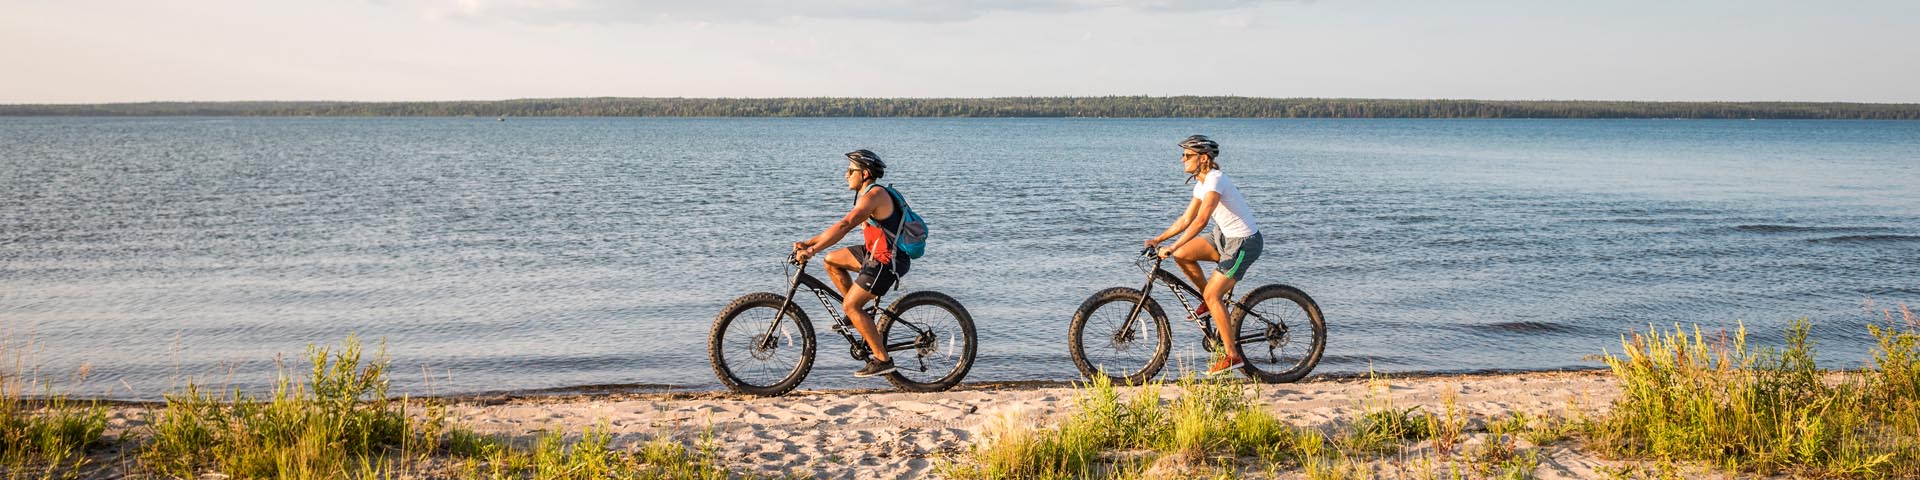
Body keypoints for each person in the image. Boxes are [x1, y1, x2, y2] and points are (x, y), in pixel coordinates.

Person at [1145, 135, 1265, 375]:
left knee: (1213, 294)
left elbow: (1200, 221)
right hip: (1222, 236)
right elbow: (1186, 219)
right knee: (1182, 254)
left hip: (1243, 242)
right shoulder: (1201, 184)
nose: (1182, 160)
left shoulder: (1215, 179)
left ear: (1203, 158)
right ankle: (1209, 303)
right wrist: (1160, 239)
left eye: (1187, 155)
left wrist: (1171, 245)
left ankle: (1233, 356)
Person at [793, 149, 911, 377]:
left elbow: (845, 225)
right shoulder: (869, 193)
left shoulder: (874, 196)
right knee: (831, 260)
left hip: (887, 260)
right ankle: (862, 313)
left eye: (850, 171)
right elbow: (840, 225)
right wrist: (809, 243)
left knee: (850, 306)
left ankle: (882, 359)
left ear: (865, 173)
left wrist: (812, 250)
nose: (846, 175)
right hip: (874, 252)